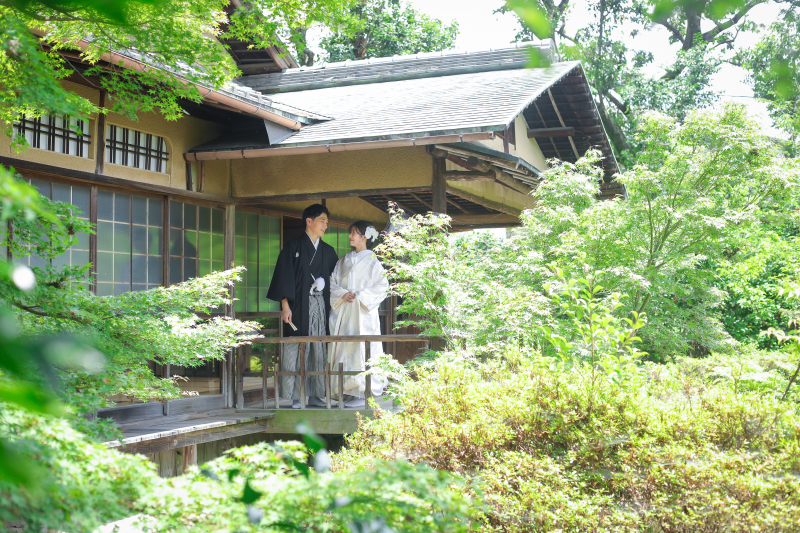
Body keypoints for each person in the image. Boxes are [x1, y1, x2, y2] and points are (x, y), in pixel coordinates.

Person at [267, 204, 338, 408]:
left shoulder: (328, 251)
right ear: (309, 221)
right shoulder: (293, 248)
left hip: (321, 307)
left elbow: (337, 278)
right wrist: (285, 305)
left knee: (318, 348)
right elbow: (284, 277)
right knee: (298, 348)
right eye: (322, 220)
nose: (325, 225)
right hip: (298, 307)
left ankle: (316, 394)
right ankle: (298, 396)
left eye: (326, 221)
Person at [328, 220, 389, 408]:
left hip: (362, 313)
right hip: (345, 312)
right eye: (350, 232)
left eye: (354, 233)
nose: (350, 236)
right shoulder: (342, 261)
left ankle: (362, 392)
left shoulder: (374, 262)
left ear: (364, 237)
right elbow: (332, 282)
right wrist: (341, 294)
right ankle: (345, 390)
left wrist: (361, 296)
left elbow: (382, 286)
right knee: (343, 350)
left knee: (362, 349)